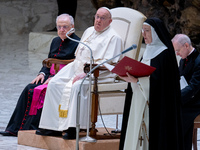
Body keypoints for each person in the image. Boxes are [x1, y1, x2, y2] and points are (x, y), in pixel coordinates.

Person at [36, 7, 124, 140]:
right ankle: (52, 127)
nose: (98, 20)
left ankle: (73, 128)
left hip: (99, 74)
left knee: (78, 86)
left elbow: (110, 64)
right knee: (54, 83)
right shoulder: (89, 31)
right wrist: (79, 71)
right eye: (97, 17)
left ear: (110, 21)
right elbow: (79, 56)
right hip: (79, 67)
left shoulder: (114, 38)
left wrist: (87, 73)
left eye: (103, 18)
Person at [0, 14, 80, 136]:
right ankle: (14, 129)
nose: (62, 30)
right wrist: (42, 73)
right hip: (50, 77)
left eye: (65, 27)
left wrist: (55, 78)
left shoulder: (77, 43)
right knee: (29, 88)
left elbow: (74, 66)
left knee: (38, 92)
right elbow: (49, 60)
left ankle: (30, 128)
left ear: (72, 27)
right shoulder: (55, 41)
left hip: (62, 79)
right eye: (59, 27)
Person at [119, 18, 184, 150]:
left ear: (156, 33)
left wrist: (137, 81)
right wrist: (131, 80)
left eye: (147, 30)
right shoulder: (147, 51)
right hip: (139, 100)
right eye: (143, 30)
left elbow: (163, 84)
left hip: (157, 108)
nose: (144, 34)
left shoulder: (165, 54)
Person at [172, 34, 200, 150]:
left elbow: (194, 86)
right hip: (187, 97)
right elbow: (179, 78)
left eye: (178, 50)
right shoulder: (183, 60)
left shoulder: (199, 61)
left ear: (186, 46)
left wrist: (176, 97)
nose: (177, 54)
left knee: (179, 114)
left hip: (197, 101)